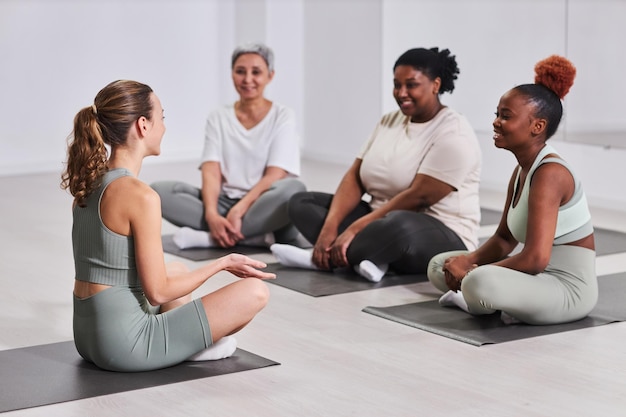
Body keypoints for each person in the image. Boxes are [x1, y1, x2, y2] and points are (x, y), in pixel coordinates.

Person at [61, 80, 274, 372]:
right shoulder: (140, 196)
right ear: (143, 125)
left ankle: (181, 342)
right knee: (255, 292)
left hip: (87, 338)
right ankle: (187, 348)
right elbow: (158, 293)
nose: (164, 126)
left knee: (177, 270)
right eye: (162, 117)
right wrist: (223, 263)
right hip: (124, 346)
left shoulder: (89, 185)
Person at [271, 47, 481, 282]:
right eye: (397, 84)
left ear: (435, 85)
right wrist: (330, 226)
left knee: (399, 225)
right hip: (377, 220)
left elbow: (418, 198)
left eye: (411, 85)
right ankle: (372, 257)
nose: (401, 93)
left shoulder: (455, 134)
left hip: (438, 232)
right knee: (302, 203)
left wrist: (354, 228)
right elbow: (355, 176)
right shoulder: (389, 120)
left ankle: (322, 259)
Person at [427, 55, 597, 325]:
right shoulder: (521, 171)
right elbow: (504, 240)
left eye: (506, 116)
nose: (496, 122)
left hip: (566, 291)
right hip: (533, 279)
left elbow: (535, 259)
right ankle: (481, 298)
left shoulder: (550, 174)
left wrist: (470, 271)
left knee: (478, 281)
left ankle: (476, 298)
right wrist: (467, 260)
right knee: (440, 265)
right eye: (497, 114)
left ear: (537, 126)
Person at [151, 43, 306, 249]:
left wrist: (240, 209)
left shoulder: (283, 116)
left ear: (270, 76)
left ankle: (210, 239)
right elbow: (211, 171)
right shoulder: (218, 116)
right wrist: (212, 214)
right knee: (158, 192)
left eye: (256, 72)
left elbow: (275, 174)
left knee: (293, 190)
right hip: (225, 202)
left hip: (264, 204)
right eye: (240, 71)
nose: (247, 79)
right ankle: (253, 236)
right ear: (232, 74)